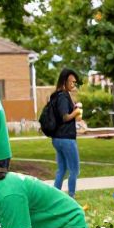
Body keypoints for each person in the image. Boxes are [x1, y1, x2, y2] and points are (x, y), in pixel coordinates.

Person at [50, 68, 83, 197]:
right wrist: (77, 111)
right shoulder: (63, 96)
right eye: (72, 82)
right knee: (74, 170)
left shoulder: (57, 95)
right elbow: (65, 117)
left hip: (57, 138)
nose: (74, 84)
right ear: (65, 81)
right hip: (66, 139)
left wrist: (74, 109)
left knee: (62, 169)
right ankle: (71, 197)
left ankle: (54, 196)